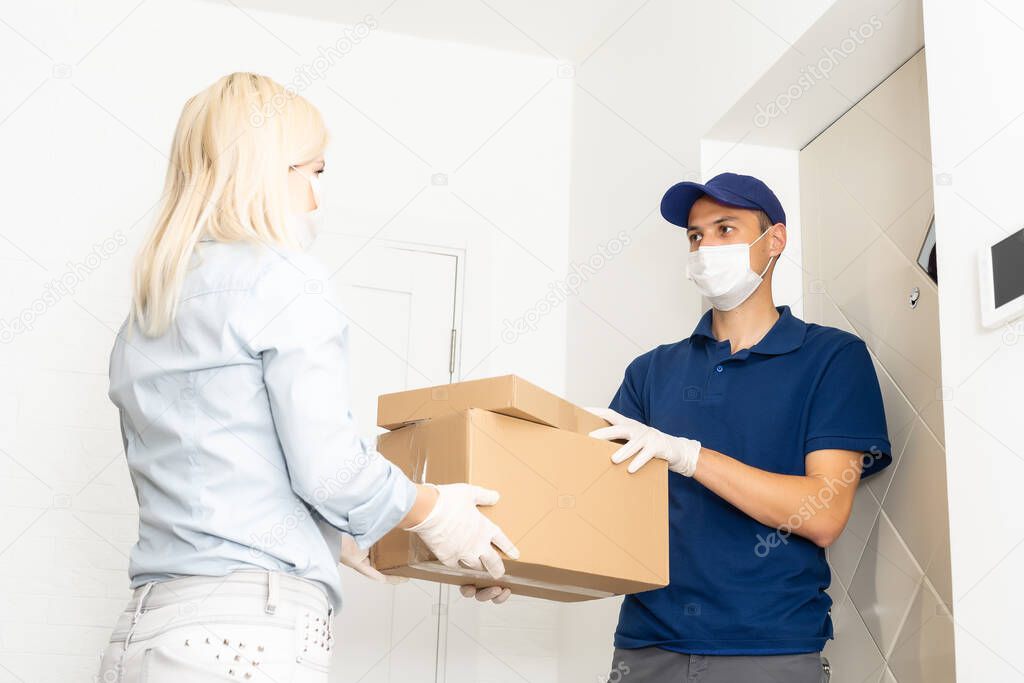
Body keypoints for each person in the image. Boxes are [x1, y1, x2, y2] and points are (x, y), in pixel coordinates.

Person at [98, 73, 518, 683]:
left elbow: (212, 464)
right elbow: (329, 469)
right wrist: (437, 512)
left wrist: (336, 538)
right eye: (314, 171)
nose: (318, 197)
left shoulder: (148, 309)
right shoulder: (285, 277)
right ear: (268, 171)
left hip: (148, 629)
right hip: (244, 637)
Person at [465, 172, 891, 682]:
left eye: (725, 229)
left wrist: (689, 456)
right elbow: (598, 508)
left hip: (768, 650)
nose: (706, 247)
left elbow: (823, 513)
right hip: (645, 650)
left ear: (774, 240)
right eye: (695, 236)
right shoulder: (651, 372)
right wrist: (521, 565)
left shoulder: (830, 358)